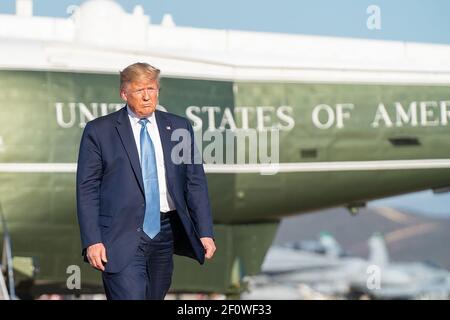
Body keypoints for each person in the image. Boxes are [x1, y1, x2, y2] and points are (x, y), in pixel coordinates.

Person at [76, 62, 216, 300]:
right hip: (120, 235)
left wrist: (204, 230)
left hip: (165, 232)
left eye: (151, 89)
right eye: (140, 90)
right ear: (124, 93)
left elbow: (195, 182)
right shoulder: (99, 131)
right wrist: (93, 240)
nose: (147, 96)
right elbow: (87, 189)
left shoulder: (179, 127)